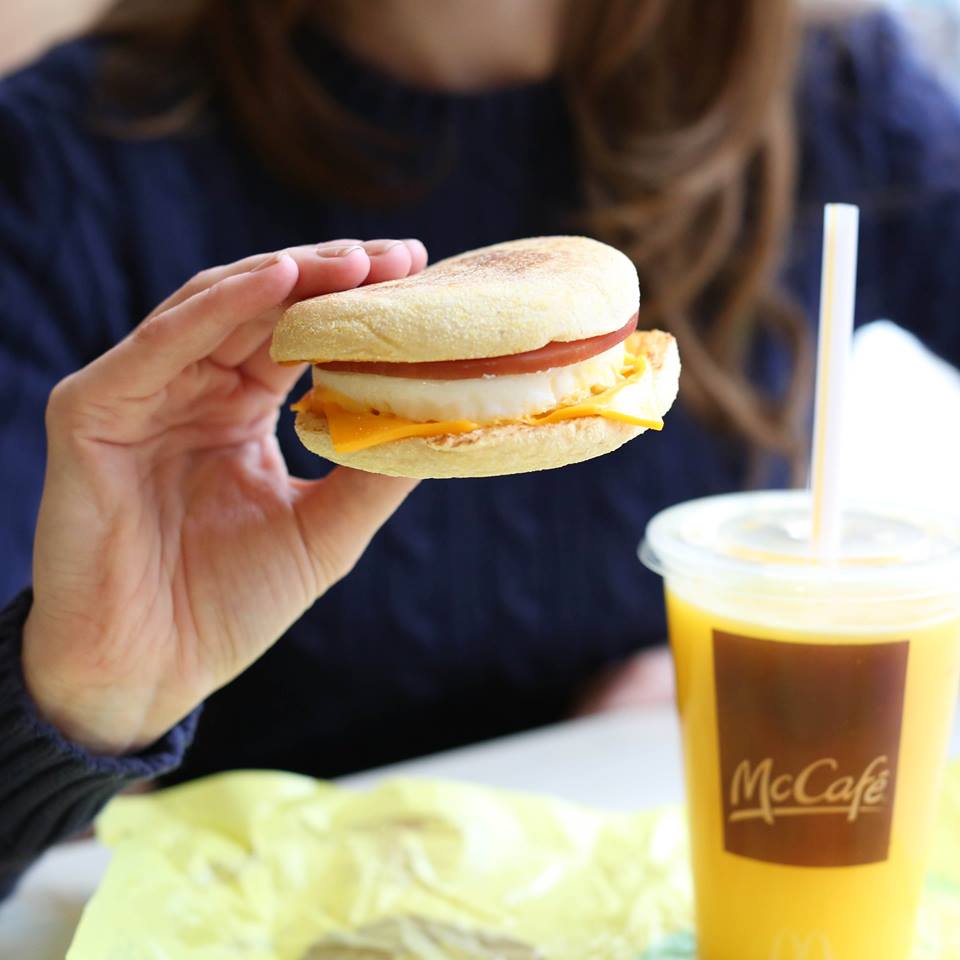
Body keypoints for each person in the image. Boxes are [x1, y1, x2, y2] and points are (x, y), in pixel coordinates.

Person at [2, 0, 959, 900]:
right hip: (303, 917)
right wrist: (76, 704)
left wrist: (723, 687)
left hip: (686, 884)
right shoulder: (59, 164)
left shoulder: (834, 88)